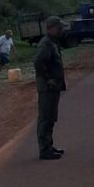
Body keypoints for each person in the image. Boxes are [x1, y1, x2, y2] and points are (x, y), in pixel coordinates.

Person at [34, 17, 66, 161]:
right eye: (59, 28)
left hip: (52, 87)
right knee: (46, 118)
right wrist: (48, 79)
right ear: (51, 28)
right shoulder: (46, 44)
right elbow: (38, 63)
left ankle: (49, 146)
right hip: (47, 87)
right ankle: (44, 149)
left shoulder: (52, 42)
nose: (62, 30)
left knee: (51, 117)